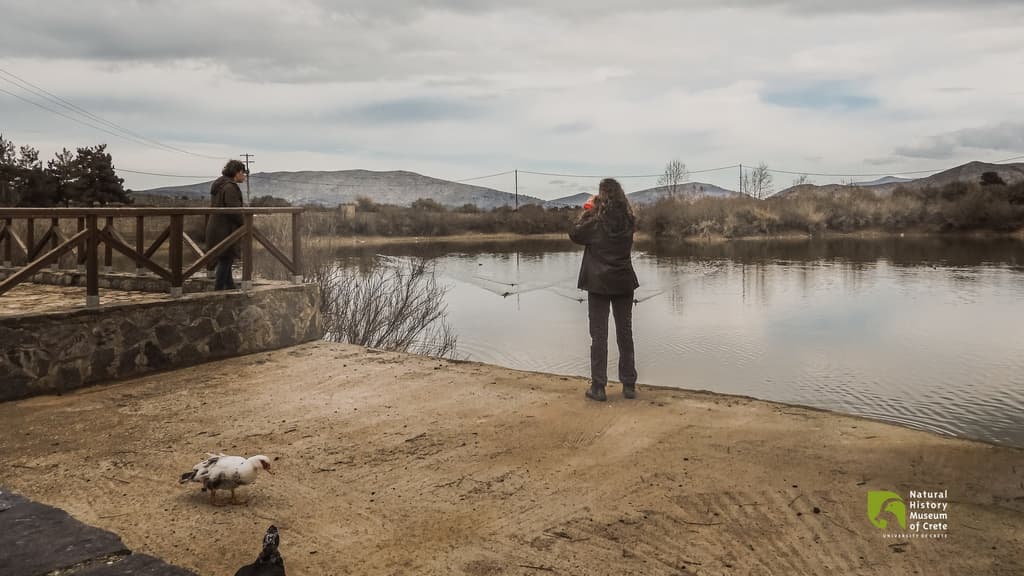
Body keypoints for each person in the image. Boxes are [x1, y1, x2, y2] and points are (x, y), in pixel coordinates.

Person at [569, 178, 639, 401]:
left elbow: (575, 234)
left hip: (598, 284)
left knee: (599, 336)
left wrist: (589, 210)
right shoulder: (629, 220)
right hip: (623, 282)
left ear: (602, 195)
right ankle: (629, 385)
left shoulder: (596, 222)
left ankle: (598, 388)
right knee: (625, 333)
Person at [206, 160, 246, 290]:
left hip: (216, 227)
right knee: (226, 259)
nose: (244, 175)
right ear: (236, 173)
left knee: (225, 258)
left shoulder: (219, 184)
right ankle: (218, 289)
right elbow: (234, 211)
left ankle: (230, 287)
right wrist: (245, 224)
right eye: (242, 172)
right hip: (225, 229)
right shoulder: (230, 187)